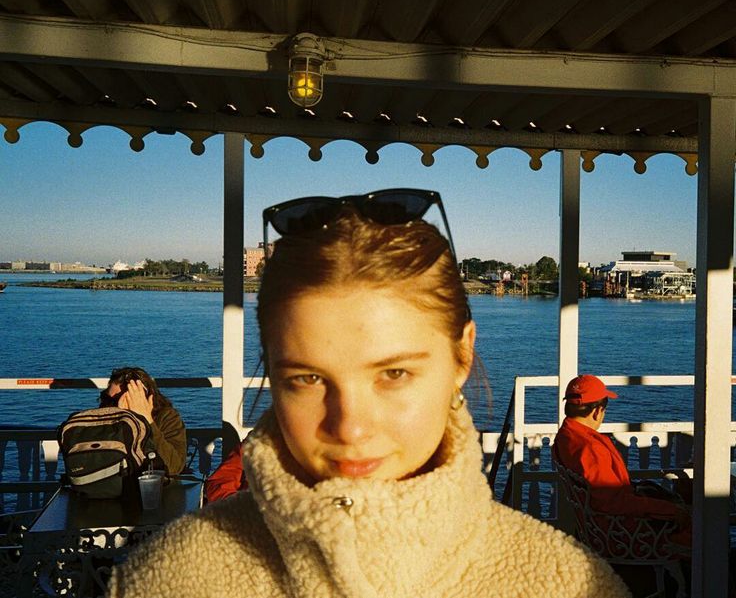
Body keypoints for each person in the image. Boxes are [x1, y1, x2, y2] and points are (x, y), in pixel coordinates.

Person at [109, 189, 629, 597]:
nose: (351, 427)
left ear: (462, 357)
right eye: (307, 379)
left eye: (394, 374)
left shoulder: (570, 584)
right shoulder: (166, 581)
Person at [553, 374, 691, 542]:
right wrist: (670, 510)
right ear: (597, 412)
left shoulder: (565, 437)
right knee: (698, 526)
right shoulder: (591, 449)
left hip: (597, 527)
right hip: (621, 534)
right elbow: (613, 502)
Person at [100, 366, 187, 476]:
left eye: (123, 398)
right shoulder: (102, 417)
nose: (117, 405)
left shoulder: (167, 417)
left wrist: (146, 421)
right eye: (109, 399)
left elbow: (174, 467)